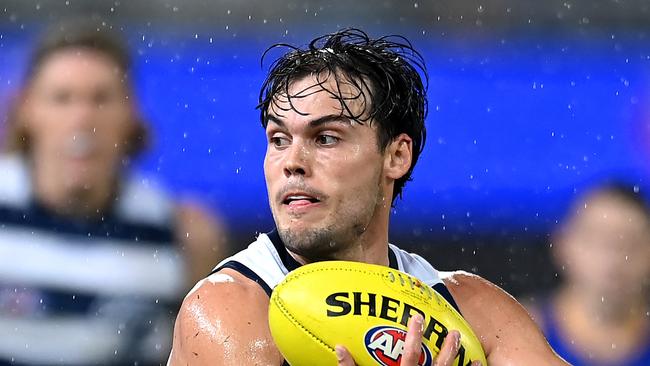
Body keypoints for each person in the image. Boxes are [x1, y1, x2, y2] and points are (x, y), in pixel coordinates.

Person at [168, 28, 567, 365]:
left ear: (396, 156)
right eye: (278, 139)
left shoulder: (475, 312)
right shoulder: (227, 310)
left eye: (325, 138)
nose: (293, 162)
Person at [0, 20, 228, 365]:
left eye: (101, 99)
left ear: (131, 115)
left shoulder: (187, 235)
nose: (81, 118)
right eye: (62, 98)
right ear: (26, 111)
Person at [524, 182, 650, 365]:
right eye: (598, 240)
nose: (613, 258)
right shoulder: (518, 332)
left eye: (630, 243)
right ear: (563, 244)